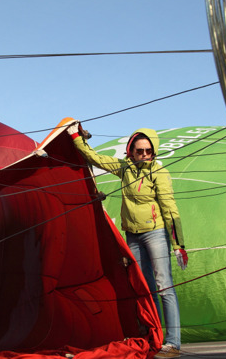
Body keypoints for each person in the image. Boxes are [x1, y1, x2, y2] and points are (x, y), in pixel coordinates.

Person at [67, 122, 188, 358]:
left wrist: (178, 244)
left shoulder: (159, 173)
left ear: (154, 152)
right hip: (132, 234)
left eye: (148, 151)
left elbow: (169, 207)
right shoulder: (124, 168)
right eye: (139, 151)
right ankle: (154, 337)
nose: (143, 155)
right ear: (130, 151)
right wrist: (75, 137)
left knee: (165, 287)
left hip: (155, 233)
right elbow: (95, 158)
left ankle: (173, 342)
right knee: (145, 288)